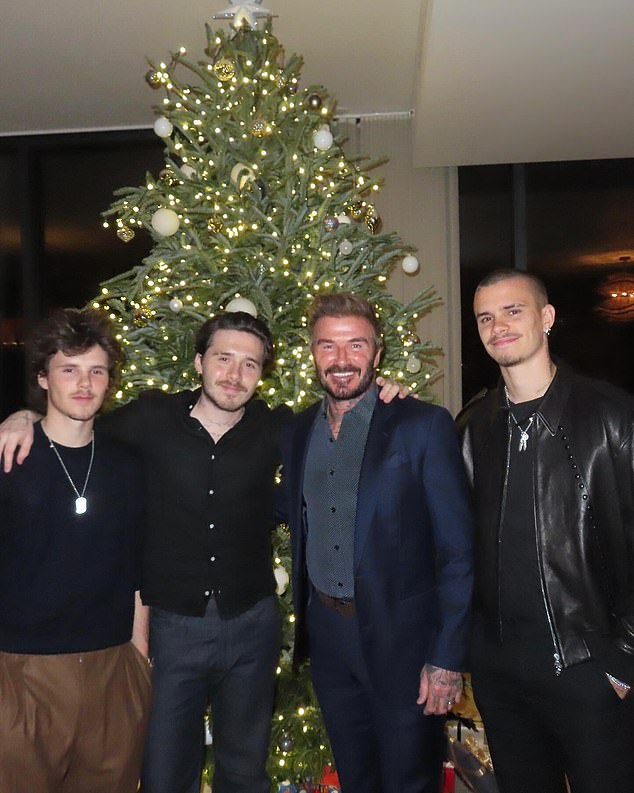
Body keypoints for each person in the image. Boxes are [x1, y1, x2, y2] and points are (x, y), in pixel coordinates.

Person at [0, 308, 407, 793]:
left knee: (244, 767)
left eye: (250, 364)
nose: (234, 375)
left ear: (262, 374)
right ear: (198, 363)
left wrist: (390, 396)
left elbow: (344, 420)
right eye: (223, 358)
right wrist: (21, 415)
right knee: (166, 772)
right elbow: (74, 422)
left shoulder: (281, 429)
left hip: (252, 624)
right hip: (172, 627)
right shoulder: (149, 419)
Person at [279, 292, 474, 793]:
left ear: (378, 351)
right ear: (312, 351)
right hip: (328, 636)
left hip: (404, 642)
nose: (342, 360)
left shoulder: (422, 425)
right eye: (328, 346)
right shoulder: (299, 430)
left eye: (355, 345)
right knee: (355, 775)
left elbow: (457, 550)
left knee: (410, 780)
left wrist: (447, 658)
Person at [458, 269, 634, 793]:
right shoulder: (472, 428)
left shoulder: (611, 416)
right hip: (500, 672)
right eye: (485, 317)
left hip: (589, 668)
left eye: (513, 311)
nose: (498, 326)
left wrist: (622, 661)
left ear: (547, 318)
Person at [0, 308, 151, 793]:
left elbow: (139, 566)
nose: (84, 384)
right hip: (22, 672)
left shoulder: (128, 464)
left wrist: (139, 657)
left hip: (113, 670)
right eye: (69, 369)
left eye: (97, 371)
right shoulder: (9, 458)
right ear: (43, 378)